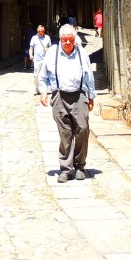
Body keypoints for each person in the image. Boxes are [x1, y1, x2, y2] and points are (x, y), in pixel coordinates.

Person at [38, 24, 96, 182]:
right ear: (60, 39)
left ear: (75, 39)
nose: (68, 42)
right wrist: (43, 91)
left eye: (70, 39)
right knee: (65, 134)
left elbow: (89, 75)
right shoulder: (52, 53)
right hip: (59, 97)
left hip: (79, 96)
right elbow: (43, 75)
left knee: (82, 130)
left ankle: (80, 166)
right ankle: (66, 169)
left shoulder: (81, 53)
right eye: (64, 39)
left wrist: (91, 96)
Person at [27, 24, 51, 95]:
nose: (41, 32)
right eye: (39, 31)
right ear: (37, 31)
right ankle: (37, 87)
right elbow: (31, 48)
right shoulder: (34, 38)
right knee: (36, 75)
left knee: (45, 75)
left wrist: (47, 50)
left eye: (42, 31)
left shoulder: (47, 38)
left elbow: (50, 48)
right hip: (37, 60)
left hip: (45, 60)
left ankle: (44, 88)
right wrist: (31, 55)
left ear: (44, 31)